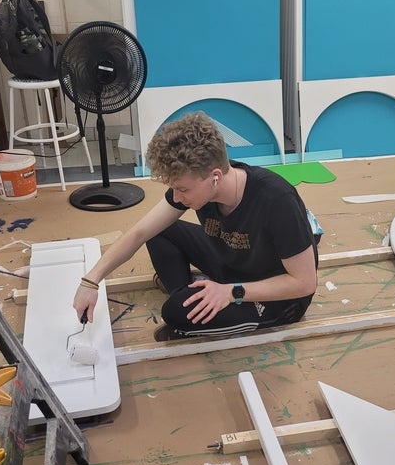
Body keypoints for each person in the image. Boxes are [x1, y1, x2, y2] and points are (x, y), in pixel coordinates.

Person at [73, 112, 319, 341]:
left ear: (215, 177)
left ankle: (196, 306)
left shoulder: (276, 199)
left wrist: (232, 292)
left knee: (174, 313)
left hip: (277, 295)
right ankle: (196, 298)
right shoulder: (201, 181)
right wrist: (91, 281)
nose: (177, 198)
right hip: (233, 262)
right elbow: (140, 233)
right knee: (160, 231)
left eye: (183, 189)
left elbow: (304, 283)